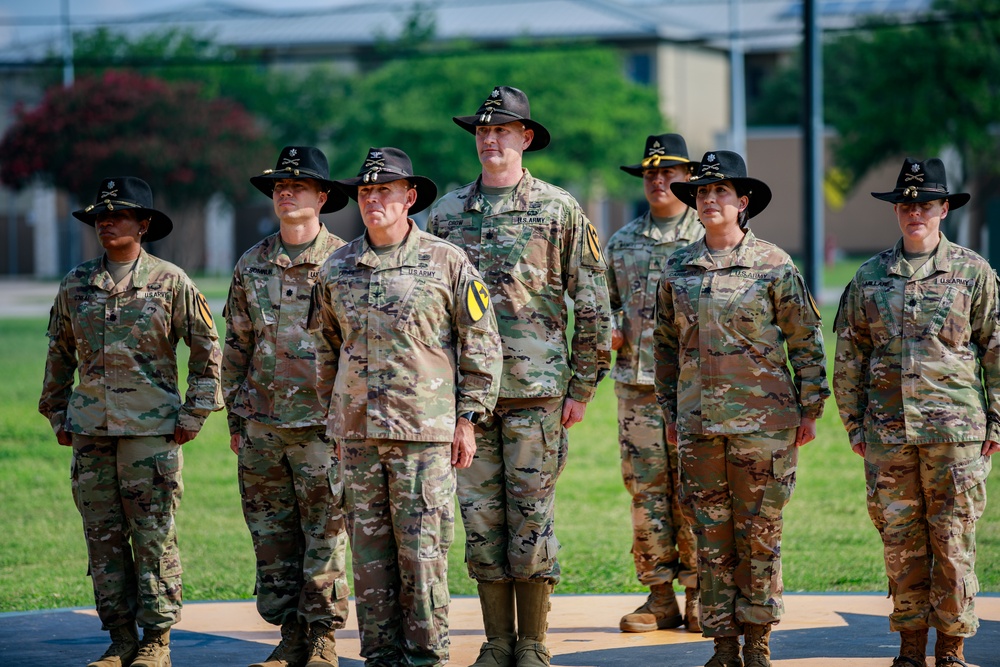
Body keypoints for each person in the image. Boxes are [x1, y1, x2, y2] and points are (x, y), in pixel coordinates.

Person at [426, 85, 612, 667]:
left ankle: (531, 641)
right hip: (468, 402)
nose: (490, 140)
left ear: (525, 137)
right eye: (482, 132)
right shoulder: (446, 215)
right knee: (480, 521)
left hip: (537, 394)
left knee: (530, 518)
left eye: (502, 130)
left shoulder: (558, 210)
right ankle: (496, 641)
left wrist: (581, 387)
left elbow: (595, 304)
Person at [313, 147, 503, 667]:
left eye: (385, 191)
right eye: (366, 192)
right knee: (371, 561)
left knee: (422, 558)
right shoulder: (337, 267)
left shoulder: (447, 261)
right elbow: (326, 349)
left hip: (424, 434)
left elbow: (481, 344)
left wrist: (468, 418)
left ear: (410, 197)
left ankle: (426, 658)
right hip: (356, 437)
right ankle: (380, 658)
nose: (373, 200)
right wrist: (332, 423)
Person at [653, 151, 829, 667]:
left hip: (765, 427)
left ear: (743, 202)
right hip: (698, 424)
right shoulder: (678, 268)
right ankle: (723, 645)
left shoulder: (774, 265)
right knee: (711, 536)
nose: (709, 200)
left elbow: (806, 342)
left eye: (721, 192)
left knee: (760, 534)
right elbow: (664, 347)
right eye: (702, 192)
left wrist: (811, 409)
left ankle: (757, 643)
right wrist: (669, 411)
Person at [39, 176, 223, 667]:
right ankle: (119, 637)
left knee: (153, 536)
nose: (107, 222)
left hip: (151, 434)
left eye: (118, 214)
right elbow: (58, 352)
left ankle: (156, 641)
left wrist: (195, 411)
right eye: (100, 215)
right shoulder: (77, 283)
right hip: (91, 432)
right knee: (102, 538)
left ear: (143, 225)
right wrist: (57, 412)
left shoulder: (171, 281)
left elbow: (208, 351)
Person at [832, 157, 999, 667]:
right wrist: (855, 424)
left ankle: (951, 650)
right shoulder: (869, 277)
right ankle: (909, 650)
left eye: (925, 204)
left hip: (956, 435)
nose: (915, 213)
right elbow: (849, 355)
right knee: (902, 546)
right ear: (896, 212)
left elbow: (994, 349)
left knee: (952, 546)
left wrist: (997, 421)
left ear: (944, 208)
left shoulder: (973, 272)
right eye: (906, 205)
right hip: (888, 435)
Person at [222, 145, 352, 667]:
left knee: (324, 533)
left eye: (297, 185)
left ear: (322, 197)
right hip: (262, 426)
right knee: (272, 536)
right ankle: (290, 633)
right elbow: (234, 345)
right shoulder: (252, 262)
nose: (285, 192)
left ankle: (321, 636)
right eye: (279, 185)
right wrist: (235, 418)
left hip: (323, 428)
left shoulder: (344, 262)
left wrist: (350, 425)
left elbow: (357, 353)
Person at [606, 133, 702, 634]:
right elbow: (601, 308)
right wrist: (610, 330)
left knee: (697, 489)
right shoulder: (622, 242)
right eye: (651, 174)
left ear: (688, 179)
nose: (659, 181)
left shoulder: (705, 237)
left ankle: (701, 592)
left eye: (669, 173)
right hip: (638, 389)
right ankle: (659, 595)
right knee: (646, 493)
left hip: (693, 391)